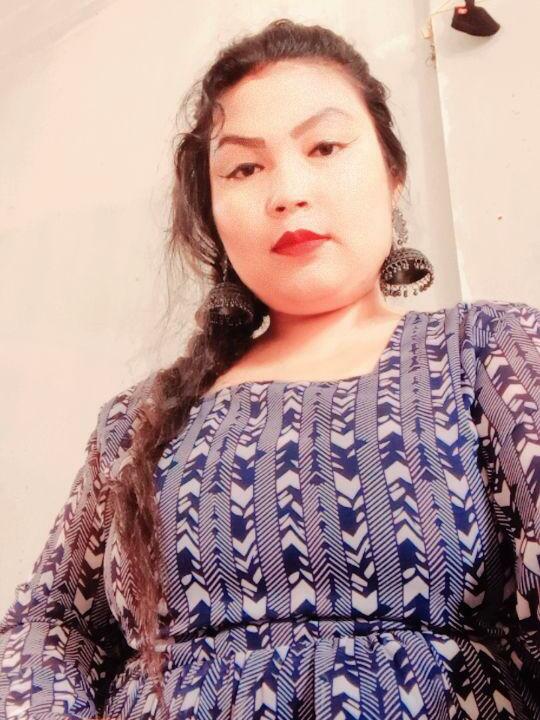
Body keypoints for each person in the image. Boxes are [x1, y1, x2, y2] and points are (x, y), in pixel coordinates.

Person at [0, 17, 539, 720]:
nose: (287, 191)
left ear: (392, 173)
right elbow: (50, 626)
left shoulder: (488, 353)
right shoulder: (138, 421)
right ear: (214, 212)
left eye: (324, 147)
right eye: (245, 168)